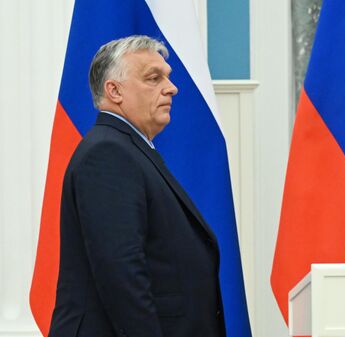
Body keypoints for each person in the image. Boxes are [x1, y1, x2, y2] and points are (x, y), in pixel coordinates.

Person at [48, 35, 225, 337]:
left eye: (167, 77)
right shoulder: (108, 153)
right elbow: (121, 272)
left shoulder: (129, 150)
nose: (171, 88)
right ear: (114, 90)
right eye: (153, 78)